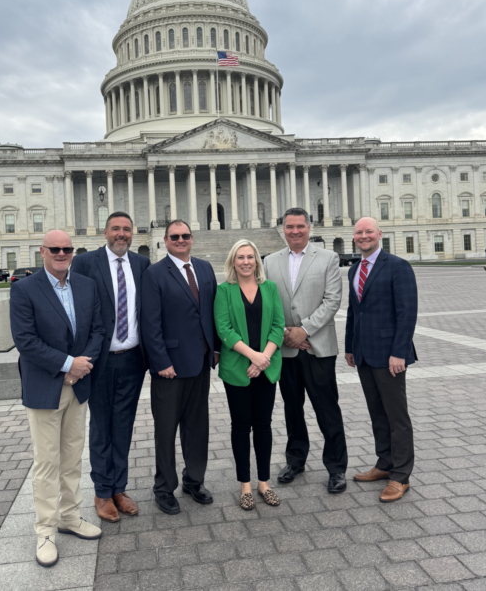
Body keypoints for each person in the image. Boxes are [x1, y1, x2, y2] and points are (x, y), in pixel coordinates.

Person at [9, 230, 104, 567]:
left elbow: (98, 331)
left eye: (67, 249)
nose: (62, 253)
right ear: (43, 252)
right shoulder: (24, 289)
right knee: (47, 462)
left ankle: (70, 516)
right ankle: (46, 530)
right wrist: (67, 364)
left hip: (77, 385)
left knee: (73, 457)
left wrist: (80, 367)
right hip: (45, 386)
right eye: (55, 249)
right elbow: (25, 340)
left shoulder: (86, 285)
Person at [71, 212, 150, 522]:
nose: (121, 234)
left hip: (133, 360)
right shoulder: (85, 263)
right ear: (105, 232)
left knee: (123, 426)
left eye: (126, 229)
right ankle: (102, 491)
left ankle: (119, 488)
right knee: (101, 428)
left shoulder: (142, 264)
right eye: (116, 229)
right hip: (100, 360)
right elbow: (76, 311)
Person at [263, 208, 347, 494]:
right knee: (292, 409)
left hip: (317, 347)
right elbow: (267, 303)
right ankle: (295, 460)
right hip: (286, 349)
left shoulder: (328, 258)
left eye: (300, 226)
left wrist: (304, 330)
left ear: (309, 228)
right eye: (290, 226)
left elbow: (332, 300)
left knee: (327, 409)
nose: (295, 231)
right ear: (283, 229)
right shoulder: (270, 261)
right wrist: (287, 335)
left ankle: (336, 467)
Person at [141, 219, 220, 515]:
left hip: (200, 363)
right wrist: (161, 362)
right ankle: (164, 488)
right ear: (165, 240)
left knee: (197, 427)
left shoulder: (204, 268)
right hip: (170, 368)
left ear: (192, 238)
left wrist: (216, 349)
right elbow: (150, 323)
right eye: (174, 236)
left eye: (185, 235)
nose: (180, 240)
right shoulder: (154, 273)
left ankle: (194, 481)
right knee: (166, 431)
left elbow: (212, 312)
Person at [345, 217, 418, 503]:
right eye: (359, 232)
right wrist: (350, 347)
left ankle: (401, 476)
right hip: (364, 353)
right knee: (377, 412)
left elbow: (407, 312)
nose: (363, 236)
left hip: (389, 355)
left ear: (379, 234)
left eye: (368, 232)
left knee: (397, 416)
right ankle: (385, 462)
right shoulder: (355, 269)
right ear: (354, 237)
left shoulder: (398, 266)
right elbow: (354, 312)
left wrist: (399, 351)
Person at [214, 240, 285, 510]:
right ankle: (245, 485)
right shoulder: (224, 290)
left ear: (257, 261)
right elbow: (224, 329)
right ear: (233, 261)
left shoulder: (270, 288)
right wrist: (253, 356)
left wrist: (263, 358)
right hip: (238, 369)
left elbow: (278, 325)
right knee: (241, 427)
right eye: (240, 257)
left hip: (266, 367)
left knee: (264, 425)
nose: (246, 262)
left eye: (250, 257)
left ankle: (264, 482)